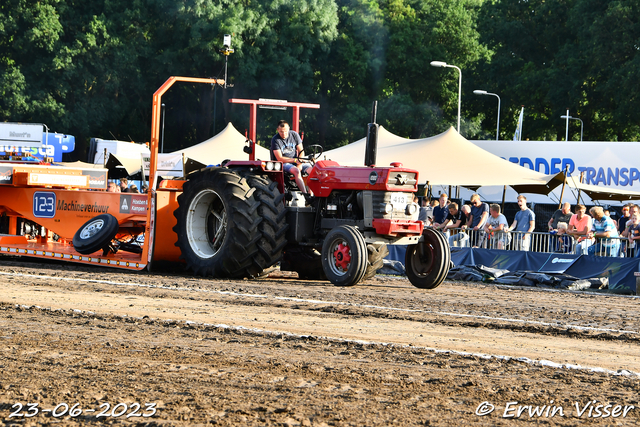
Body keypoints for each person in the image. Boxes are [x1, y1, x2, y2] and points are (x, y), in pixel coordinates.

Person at [270, 120, 312, 196]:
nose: (284, 134)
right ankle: (305, 194)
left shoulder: (294, 135)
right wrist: (296, 161)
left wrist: (299, 162)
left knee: (313, 171)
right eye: (281, 132)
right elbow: (280, 158)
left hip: (297, 161)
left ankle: (312, 194)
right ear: (277, 130)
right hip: (285, 163)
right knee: (296, 171)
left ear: (289, 128)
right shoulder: (275, 140)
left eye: (285, 131)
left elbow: (301, 151)